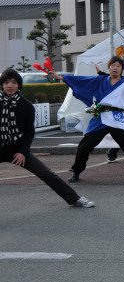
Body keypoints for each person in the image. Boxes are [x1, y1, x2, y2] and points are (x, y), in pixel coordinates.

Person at [50, 57, 124, 182]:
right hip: (100, 117)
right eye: (113, 65)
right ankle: (76, 172)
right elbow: (82, 80)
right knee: (84, 146)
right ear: (109, 68)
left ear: (122, 69)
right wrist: (61, 77)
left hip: (117, 118)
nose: (115, 68)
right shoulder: (100, 80)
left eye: (118, 66)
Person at [0, 69, 95, 208]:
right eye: (6, 82)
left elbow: (29, 132)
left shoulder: (26, 106)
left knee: (46, 173)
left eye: (14, 82)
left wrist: (22, 152)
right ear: (2, 85)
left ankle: (75, 199)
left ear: (19, 85)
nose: (10, 85)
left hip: (19, 148)